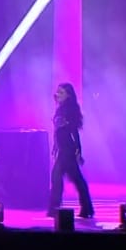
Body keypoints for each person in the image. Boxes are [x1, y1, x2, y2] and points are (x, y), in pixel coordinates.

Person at [47, 83, 93, 218]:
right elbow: (58, 131)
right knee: (72, 178)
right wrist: (56, 146)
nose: (57, 95)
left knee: (59, 176)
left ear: (68, 95)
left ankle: (55, 208)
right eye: (57, 92)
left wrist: (78, 150)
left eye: (61, 93)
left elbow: (74, 132)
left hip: (68, 149)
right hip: (63, 148)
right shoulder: (61, 109)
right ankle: (86, 208)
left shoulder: (70, 109)